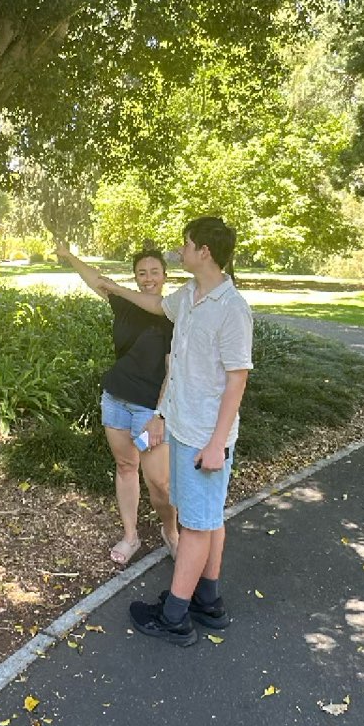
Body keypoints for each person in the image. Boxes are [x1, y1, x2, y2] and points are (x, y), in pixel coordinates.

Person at [97, 216, 253, 647]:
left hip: (206, 437)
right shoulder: (188, 296)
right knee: (207, 519)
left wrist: (218, 444)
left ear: (204, 251)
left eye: (185, 245)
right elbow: (150, 306)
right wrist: (112, 287)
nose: (178, 252)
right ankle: (208, 600)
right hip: (183, 428)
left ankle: (175, 616)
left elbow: (237, 380)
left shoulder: (232, 309)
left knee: (198, 526)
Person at [55, 242, 178, 565]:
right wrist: (69, 257)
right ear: (135, 277)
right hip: (116, 398)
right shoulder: (125, 305)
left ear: (165, 275)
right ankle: (130, 535)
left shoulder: (174, 312)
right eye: (142, 273)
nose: (148, 278)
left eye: (154, 272)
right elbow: (97, 280)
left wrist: (161, 413)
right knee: (126, 467)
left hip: (150, 409)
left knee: (160, 483)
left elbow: (173, 370)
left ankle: (171, 531)